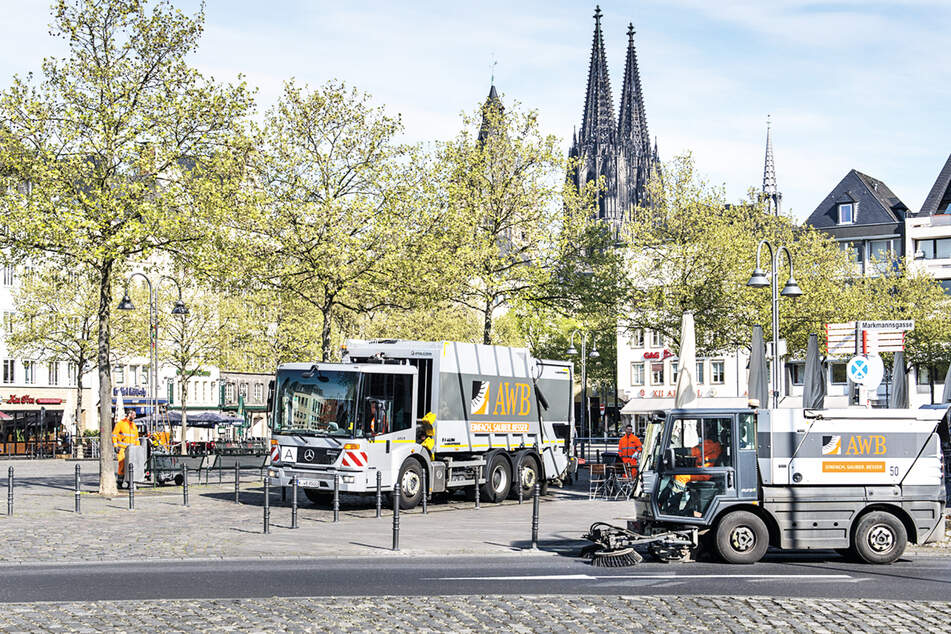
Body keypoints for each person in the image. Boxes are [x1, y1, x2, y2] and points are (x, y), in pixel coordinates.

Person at [112, 409, 139, 489]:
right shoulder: (121, 423)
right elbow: (114, 435)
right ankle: (119, 482)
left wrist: (137, 448)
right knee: (122, 465)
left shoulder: (134, 425)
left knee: (131, 466)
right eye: (133, 415)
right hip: (122, 449)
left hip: (132, 450)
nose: (135, 416)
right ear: (129, 414)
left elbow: (136, 438)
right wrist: (115, 445)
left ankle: (129, 482)